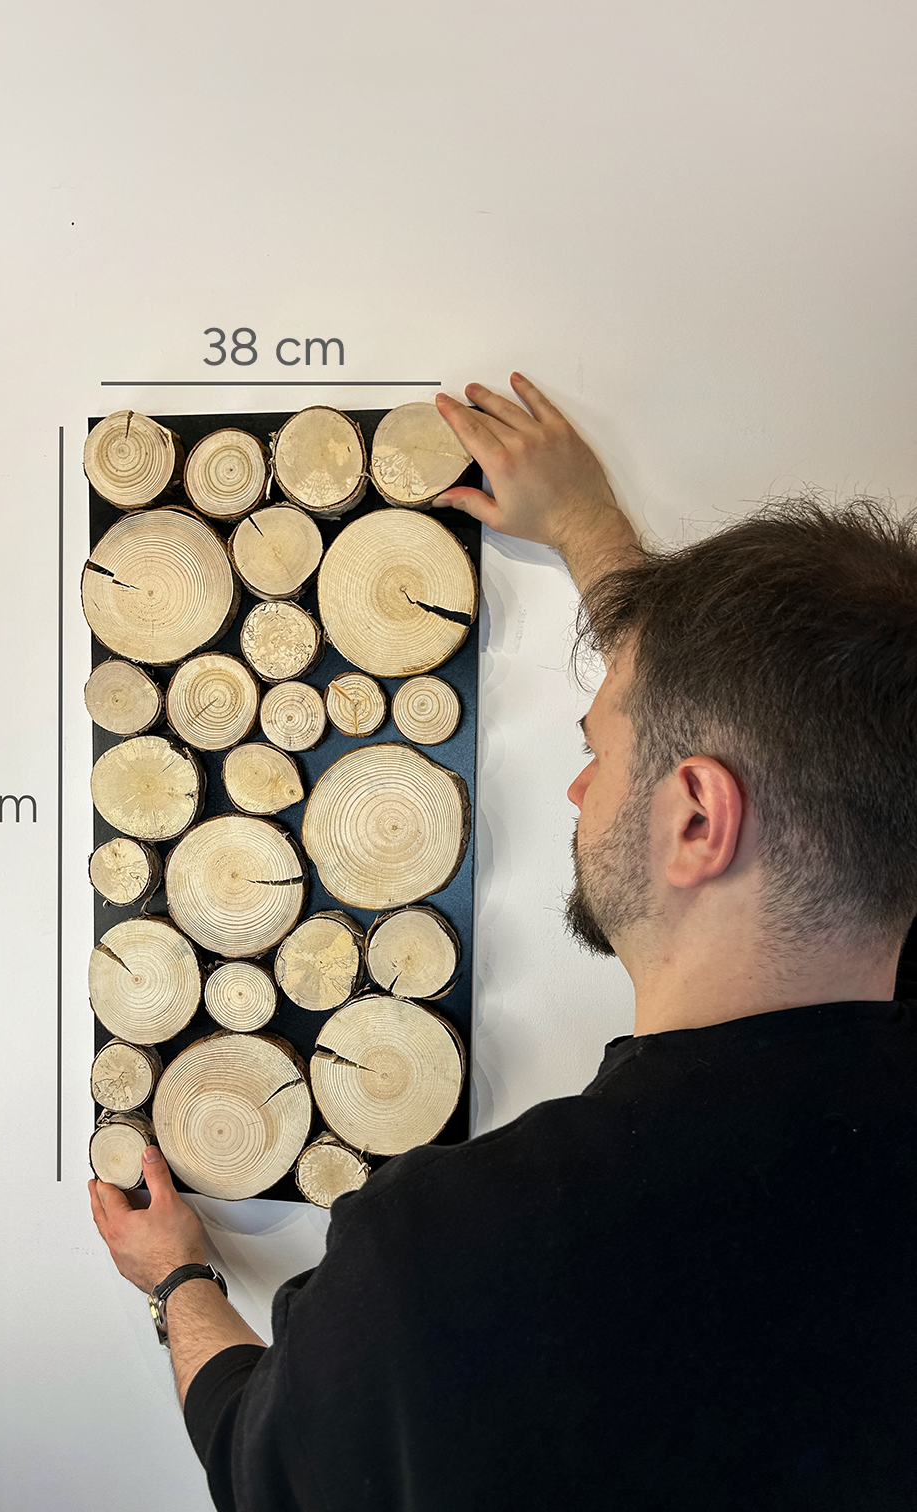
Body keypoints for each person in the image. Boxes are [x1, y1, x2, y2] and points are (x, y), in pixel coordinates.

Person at [89, 375, 917, 1511]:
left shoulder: (453, 1262)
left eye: (598, 750)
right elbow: (795, 715)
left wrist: (177, 1280)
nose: (579, 789)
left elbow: (256, 1458)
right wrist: (586, 527)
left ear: (696, 820)